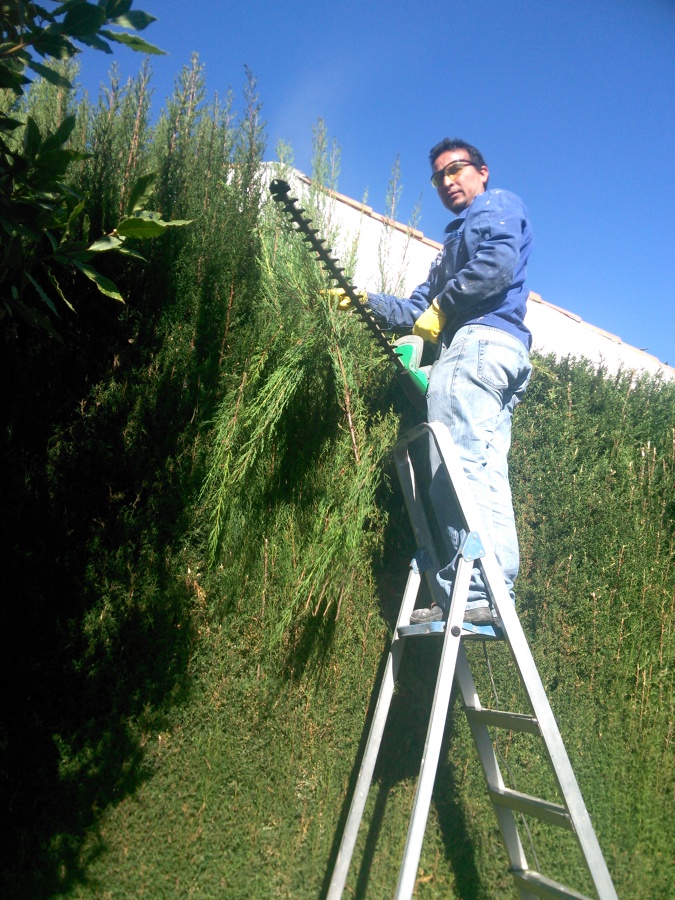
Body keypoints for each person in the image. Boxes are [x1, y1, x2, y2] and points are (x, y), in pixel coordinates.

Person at [360, 138, 533, 628]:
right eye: (439, 176)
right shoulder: (451, 248)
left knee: (452, 468)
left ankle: (474, 590)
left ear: (481, 171)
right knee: (483, 471)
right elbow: (416, 308)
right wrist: (363, 302)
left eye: (456, 169)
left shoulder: (495, 206)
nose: (448, 180)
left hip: (477, 344)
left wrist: (442, 309)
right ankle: (494, 590)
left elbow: (495, 265)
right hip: (499, 353)